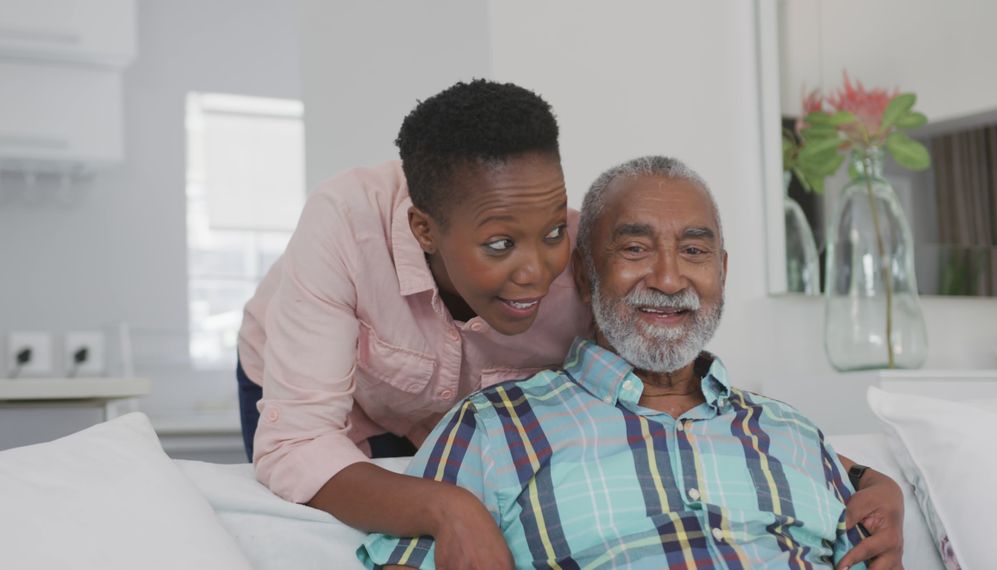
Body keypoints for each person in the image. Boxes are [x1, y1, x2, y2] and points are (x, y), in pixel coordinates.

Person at [237, 81, 902, 568]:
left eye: (555, 232)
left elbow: (681, 418)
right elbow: (296, 444)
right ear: (426, 232)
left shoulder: (589, 266)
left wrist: (867, 480)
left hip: (461, 413)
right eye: (501, 245)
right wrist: (450, 507)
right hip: (325, 401)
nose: (536, 272)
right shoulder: (346, 230)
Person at [359, 156, 901, 570]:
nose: (668, 279)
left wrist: (882, 483)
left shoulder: (793, 432)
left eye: (694, 251)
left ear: (723, 272)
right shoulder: (492, 427)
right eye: (636, 249)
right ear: (585, 273)